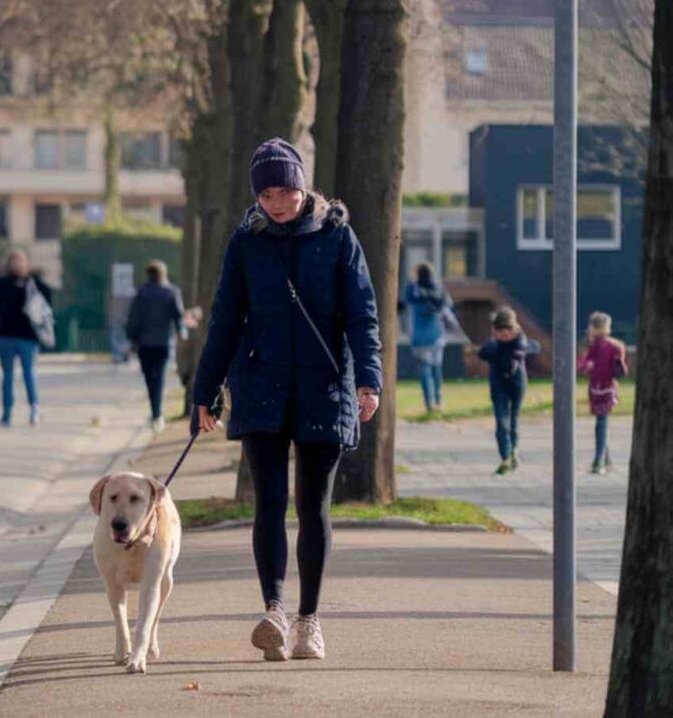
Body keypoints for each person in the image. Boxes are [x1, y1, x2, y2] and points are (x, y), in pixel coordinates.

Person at [192, 137, 382, 663]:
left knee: (313, 506)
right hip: (260, 385)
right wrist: (204, 392)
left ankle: (309, 621)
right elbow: (225, 321)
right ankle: (274, 610)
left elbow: (362, 315)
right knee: (269, 503)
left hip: (325, 386)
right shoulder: (245, 241)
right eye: (268, 194)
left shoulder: (338, 236)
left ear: (304, 187)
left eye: (286, 191)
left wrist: (369, 379)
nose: (278, 203)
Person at [0, 249, 52, 427]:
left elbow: (47, 301)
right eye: (13, 261)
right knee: (7, 376)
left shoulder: (34, 284)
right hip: (6, 337)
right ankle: (7, 413)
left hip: (28, 337)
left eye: (20, 261)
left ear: (26, 264)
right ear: (8, 264)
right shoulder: (1, 284)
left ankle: (34, 409)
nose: (17, 265)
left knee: (29, 373)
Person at [478, 307, 541, 475]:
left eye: (509, 329)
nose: (505, 334)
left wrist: (513, 355)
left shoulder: (520, 342)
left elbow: (526, 351)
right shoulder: (493, 346)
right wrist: (494, 342)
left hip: (517, 383)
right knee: (501, 422)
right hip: (498, 385)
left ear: (516, 328)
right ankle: (505, 457)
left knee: (514, 420)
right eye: (500, 330)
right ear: (494, 331)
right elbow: (482, 353)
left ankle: (514, 451)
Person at [125, 260, 185, 433]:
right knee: (158, 378)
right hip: (163, 342)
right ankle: (157, 414)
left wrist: (132, 339)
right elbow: (178, 315)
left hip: (144, 343)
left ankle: (156, 412)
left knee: (150, 379)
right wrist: (181, 333)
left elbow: (133, 319)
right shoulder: (171, 292)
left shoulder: (141, 293)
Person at [577, 311, 627, 475]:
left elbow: (583, 365)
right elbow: (620, 368)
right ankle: (605, 459)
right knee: (602, 420)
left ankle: (598, 461)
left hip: (598, 388)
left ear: (593, 328)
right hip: (607, 387)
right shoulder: (615, 345)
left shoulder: (595, 346)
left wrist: (585, 365)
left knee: (601, 422)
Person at [405, 262, 452, 413]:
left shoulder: (414, 289)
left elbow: (407, 300)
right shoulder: (438, 289)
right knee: (437, 369)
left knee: (425, 370)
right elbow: (447, 304)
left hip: (420, 336)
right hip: (437, 334)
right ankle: (439, 400)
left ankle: (429, 403)